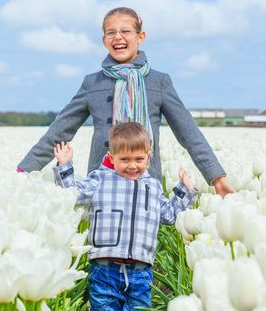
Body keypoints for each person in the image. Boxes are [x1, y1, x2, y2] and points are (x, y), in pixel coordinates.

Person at [17, 6, 235, 196]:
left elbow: (189, 133)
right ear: (104, 41)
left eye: (125, 31)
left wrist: (216, 176)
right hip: (102, 182)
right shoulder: (92, 83)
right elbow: (58, 132)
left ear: (140, 37)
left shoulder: (159, 82)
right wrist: (22, 172)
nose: (118, 37)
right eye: (110, 32)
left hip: (146, 181)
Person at [53, 122, 197, 310]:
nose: (132, 165)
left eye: (139, 159)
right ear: (112, 158)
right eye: (125, 159)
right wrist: (64, 165)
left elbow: (170, 215)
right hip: (104, 268)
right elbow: (72, 194)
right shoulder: (100, 179)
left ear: (148, 157)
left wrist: (184, 189)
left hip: (141, 271)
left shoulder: (152, 187)